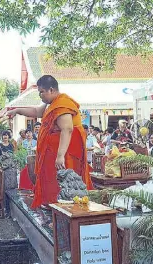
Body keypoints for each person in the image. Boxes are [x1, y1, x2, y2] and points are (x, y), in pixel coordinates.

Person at [7, 75, 92, 208]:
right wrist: (17, 110)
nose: (40, 95)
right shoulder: (52, 103)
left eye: (42, 92)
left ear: (51, 90)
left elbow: (67, 129)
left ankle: (63, 210)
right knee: (51, 181)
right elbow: (36, 111)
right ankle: (52, 208)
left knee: (63, 184)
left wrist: (60, 156)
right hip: (52, 152)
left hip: (65, 154)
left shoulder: (62, 104)